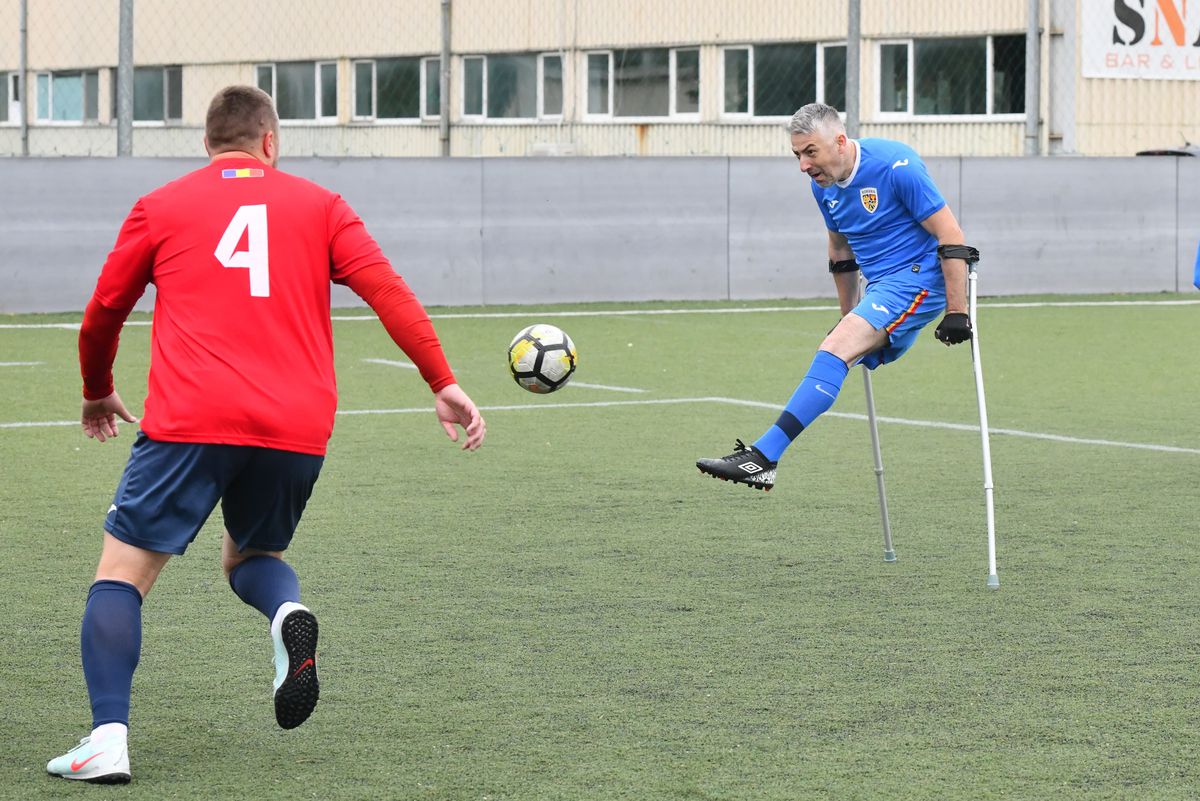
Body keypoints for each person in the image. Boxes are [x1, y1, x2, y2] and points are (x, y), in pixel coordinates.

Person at [47, 85, 486, 784]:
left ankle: (107, 737)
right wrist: (441, 379)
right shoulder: (322, 205)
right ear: (270, 142)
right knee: (251, 554)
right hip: (295, 424)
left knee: (121, 576)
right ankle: (287, 611)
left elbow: (103, 310)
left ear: (208, 144)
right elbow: (388, 289)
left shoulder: (161, 205)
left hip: (191, 418)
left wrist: (97, 386)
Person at [697, 102, 975, 490]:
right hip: (881, 287)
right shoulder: (822, 186)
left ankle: (763, 457)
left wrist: (957, 311)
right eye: (797, 155)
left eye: (811, 152)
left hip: (918, 279)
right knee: (837, 348)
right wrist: (849, 314)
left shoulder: (897, 165)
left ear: (840, 141)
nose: (804, 166)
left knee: (834, 349)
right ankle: (764, 458)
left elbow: (952, 236)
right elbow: (841, 253)